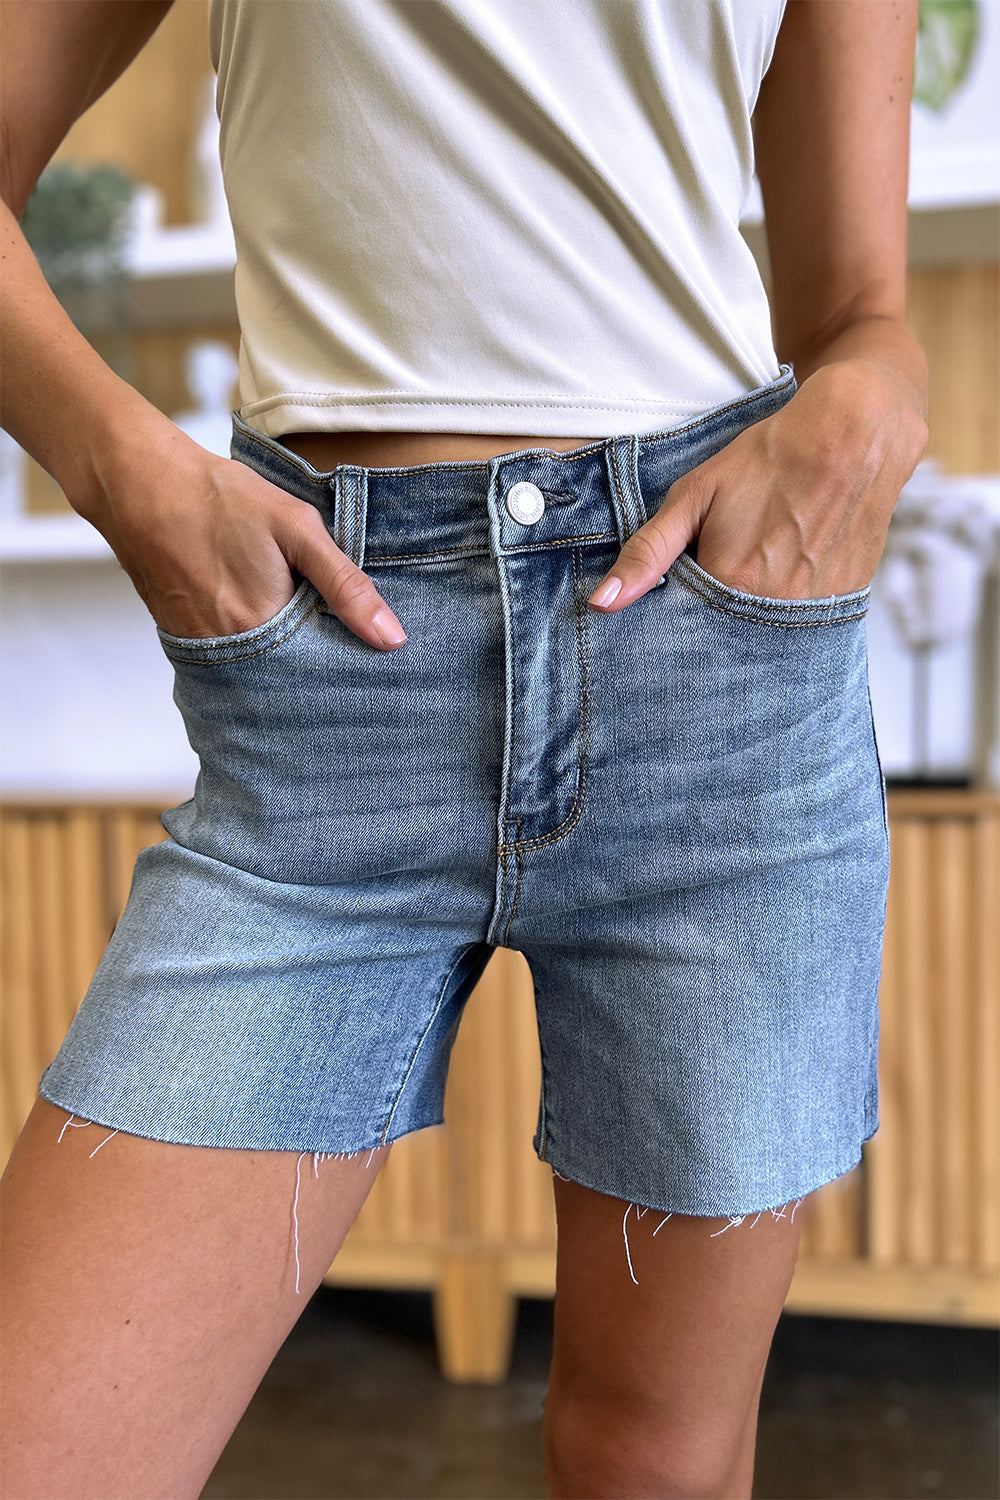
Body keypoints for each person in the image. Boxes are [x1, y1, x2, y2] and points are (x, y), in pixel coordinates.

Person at [0, 1, 929, 1496]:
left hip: (715, 660)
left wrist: (871, 418)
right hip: (332, 678)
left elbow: (857, 314)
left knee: (658, 1467)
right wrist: (124, 470)